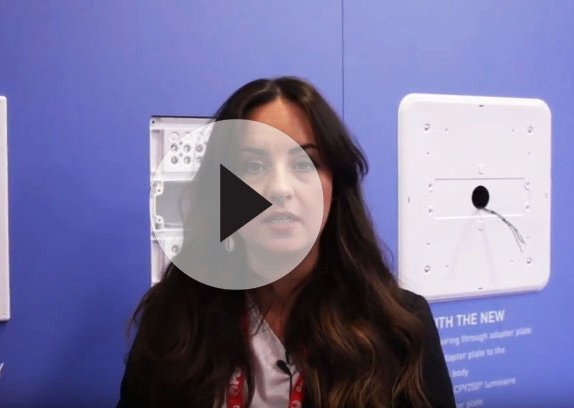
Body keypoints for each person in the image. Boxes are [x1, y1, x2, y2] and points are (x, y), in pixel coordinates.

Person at [118, 77, 455, 408]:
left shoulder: (400, 328)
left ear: (336, 186)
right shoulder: (175, 317)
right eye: (253, 165)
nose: (280, 188)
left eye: (305, 163)